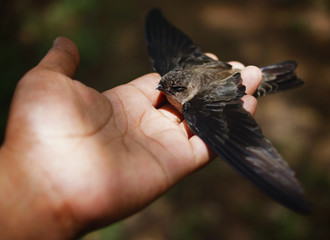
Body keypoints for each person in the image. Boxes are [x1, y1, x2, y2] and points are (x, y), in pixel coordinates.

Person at [0, 36, 261, 239]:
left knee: (213, 117)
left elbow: (223, 127)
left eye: (174, 89)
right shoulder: (176, 84)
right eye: (164, 85)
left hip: (225, 82)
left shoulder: (196, 104)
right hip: (216, 74)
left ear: (187, 90)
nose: (162, 90)